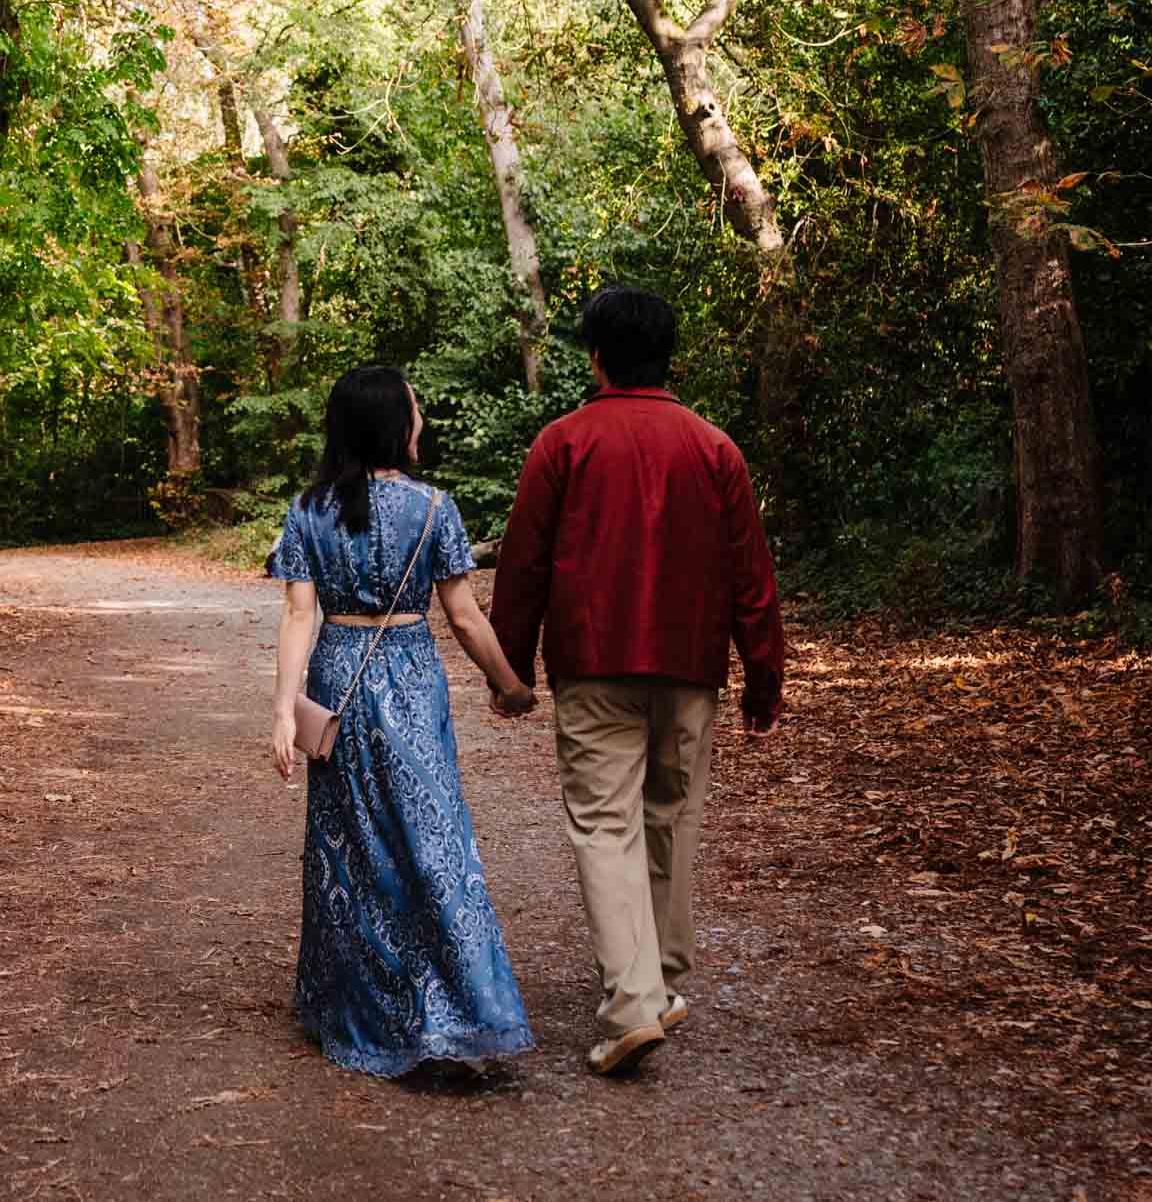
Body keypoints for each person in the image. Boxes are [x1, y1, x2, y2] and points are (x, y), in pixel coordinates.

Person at [488, 286, 788, 1078]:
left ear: (595, 356)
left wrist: (510, 667)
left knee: (604, 824)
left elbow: (523, 564)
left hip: (594, 663)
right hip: (689, 664)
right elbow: (752, 576)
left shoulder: (563, 443)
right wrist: (764, 679)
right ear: (670, 356)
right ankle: (659, 985)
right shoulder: (714, 448)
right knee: (671, 817)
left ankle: (631, 1005)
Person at [266, 364, 540, 1079]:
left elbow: (300, 614)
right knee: (434, 841)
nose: (420, 422)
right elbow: (464, 615)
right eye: (413, 411)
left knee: (351, 850)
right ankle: (460, 1009)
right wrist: (509, 683)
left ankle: (362, 1006)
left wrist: (280, 710)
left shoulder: (309, 510)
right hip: (412, 681)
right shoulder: (434, 508)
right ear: (393, 424)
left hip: (338, 680)